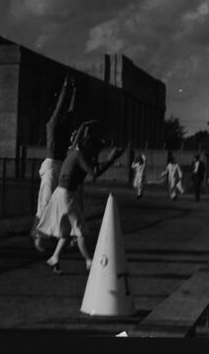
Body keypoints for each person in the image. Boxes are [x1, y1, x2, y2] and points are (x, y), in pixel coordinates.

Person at [35, 121, 125, 274]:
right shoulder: (80, 157)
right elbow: (94, 173)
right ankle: (89, 262)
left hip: (60, 194)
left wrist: (84, 126)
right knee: (80, 231)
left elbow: (80, 141)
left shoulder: (74, 151)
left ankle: (55, 257)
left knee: (66, 231)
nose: (97, 153)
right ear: (90, 149)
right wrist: (111, 159)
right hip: (66, 195)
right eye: (96, 150)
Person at [32, 76, 77, 249]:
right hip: (52, 166)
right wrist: (66, 88)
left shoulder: (63, 126)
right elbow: (61, 109)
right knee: (45, 203)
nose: (64, 116)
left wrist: (75, 92)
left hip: (61, 165)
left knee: (58, 202)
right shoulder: (52, 124)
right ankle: (39, 236)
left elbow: (71, 111)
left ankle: (52, 234)